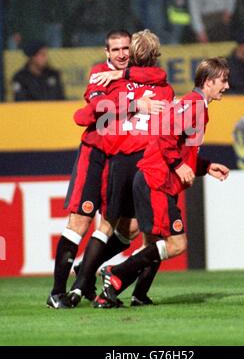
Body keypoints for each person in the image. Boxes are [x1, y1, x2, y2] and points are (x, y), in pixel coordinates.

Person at [47, 30, 167, 308]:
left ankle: (84, 274)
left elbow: (159, 77)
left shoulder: (136, 75)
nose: (122, 54)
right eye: (116, 50)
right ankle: (56, 292)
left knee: (130, 228)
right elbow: (97, 108)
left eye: (126, 48)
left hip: (122, 157)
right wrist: (136, 104)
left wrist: (124, 79)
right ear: (107, 53)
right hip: (95, 154)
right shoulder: (100, 73)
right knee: (80, 221)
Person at [98, 58, 230, 306]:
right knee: (176, 244)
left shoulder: (195, 105)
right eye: (223, 80)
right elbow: (166, 135)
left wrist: (204, 166)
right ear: (209, 81)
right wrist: (179, 166)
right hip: (156, 181)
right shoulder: (194, 105)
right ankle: (116, 273)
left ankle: (118, 294)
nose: (227, 86)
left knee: (156, 243)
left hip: (155, 179)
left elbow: (182, 148)